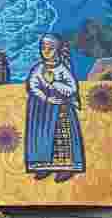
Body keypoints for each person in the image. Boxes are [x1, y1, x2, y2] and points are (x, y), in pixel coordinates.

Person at [24, 34, 85, 184]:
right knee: (42, 137)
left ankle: (65, 168)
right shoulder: (38, 68)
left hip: (60, 111)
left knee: (62, 139)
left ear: (57, 50)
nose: (45, 51)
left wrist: (54, 83)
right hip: (41, 110)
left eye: (50, 48)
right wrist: (46, 97)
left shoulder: (62, 68)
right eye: (43, 47)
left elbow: (71, 89)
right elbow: (32, 86)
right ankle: (43, 166)